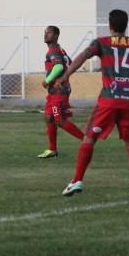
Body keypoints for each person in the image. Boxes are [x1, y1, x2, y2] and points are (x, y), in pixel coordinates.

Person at [55, 9, 129, 200]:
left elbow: (84, 55)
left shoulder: (101, 43)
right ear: (125, 26)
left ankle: (77, 180)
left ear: (109, 26)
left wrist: (66, 76)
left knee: (89, 138)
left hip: (109, 99)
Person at [37, 25, 85, 158]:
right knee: (48, 117)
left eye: (49, 33)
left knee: (59, 120)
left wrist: (48, 80)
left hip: (59, 91)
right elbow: (69, 64)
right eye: (45, 32)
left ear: (56, 35)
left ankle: (86, 141)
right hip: (55, 92)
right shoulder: (61, 50)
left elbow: (58, 66)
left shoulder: (53, 51)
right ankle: (52, 149)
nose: (46, 35)